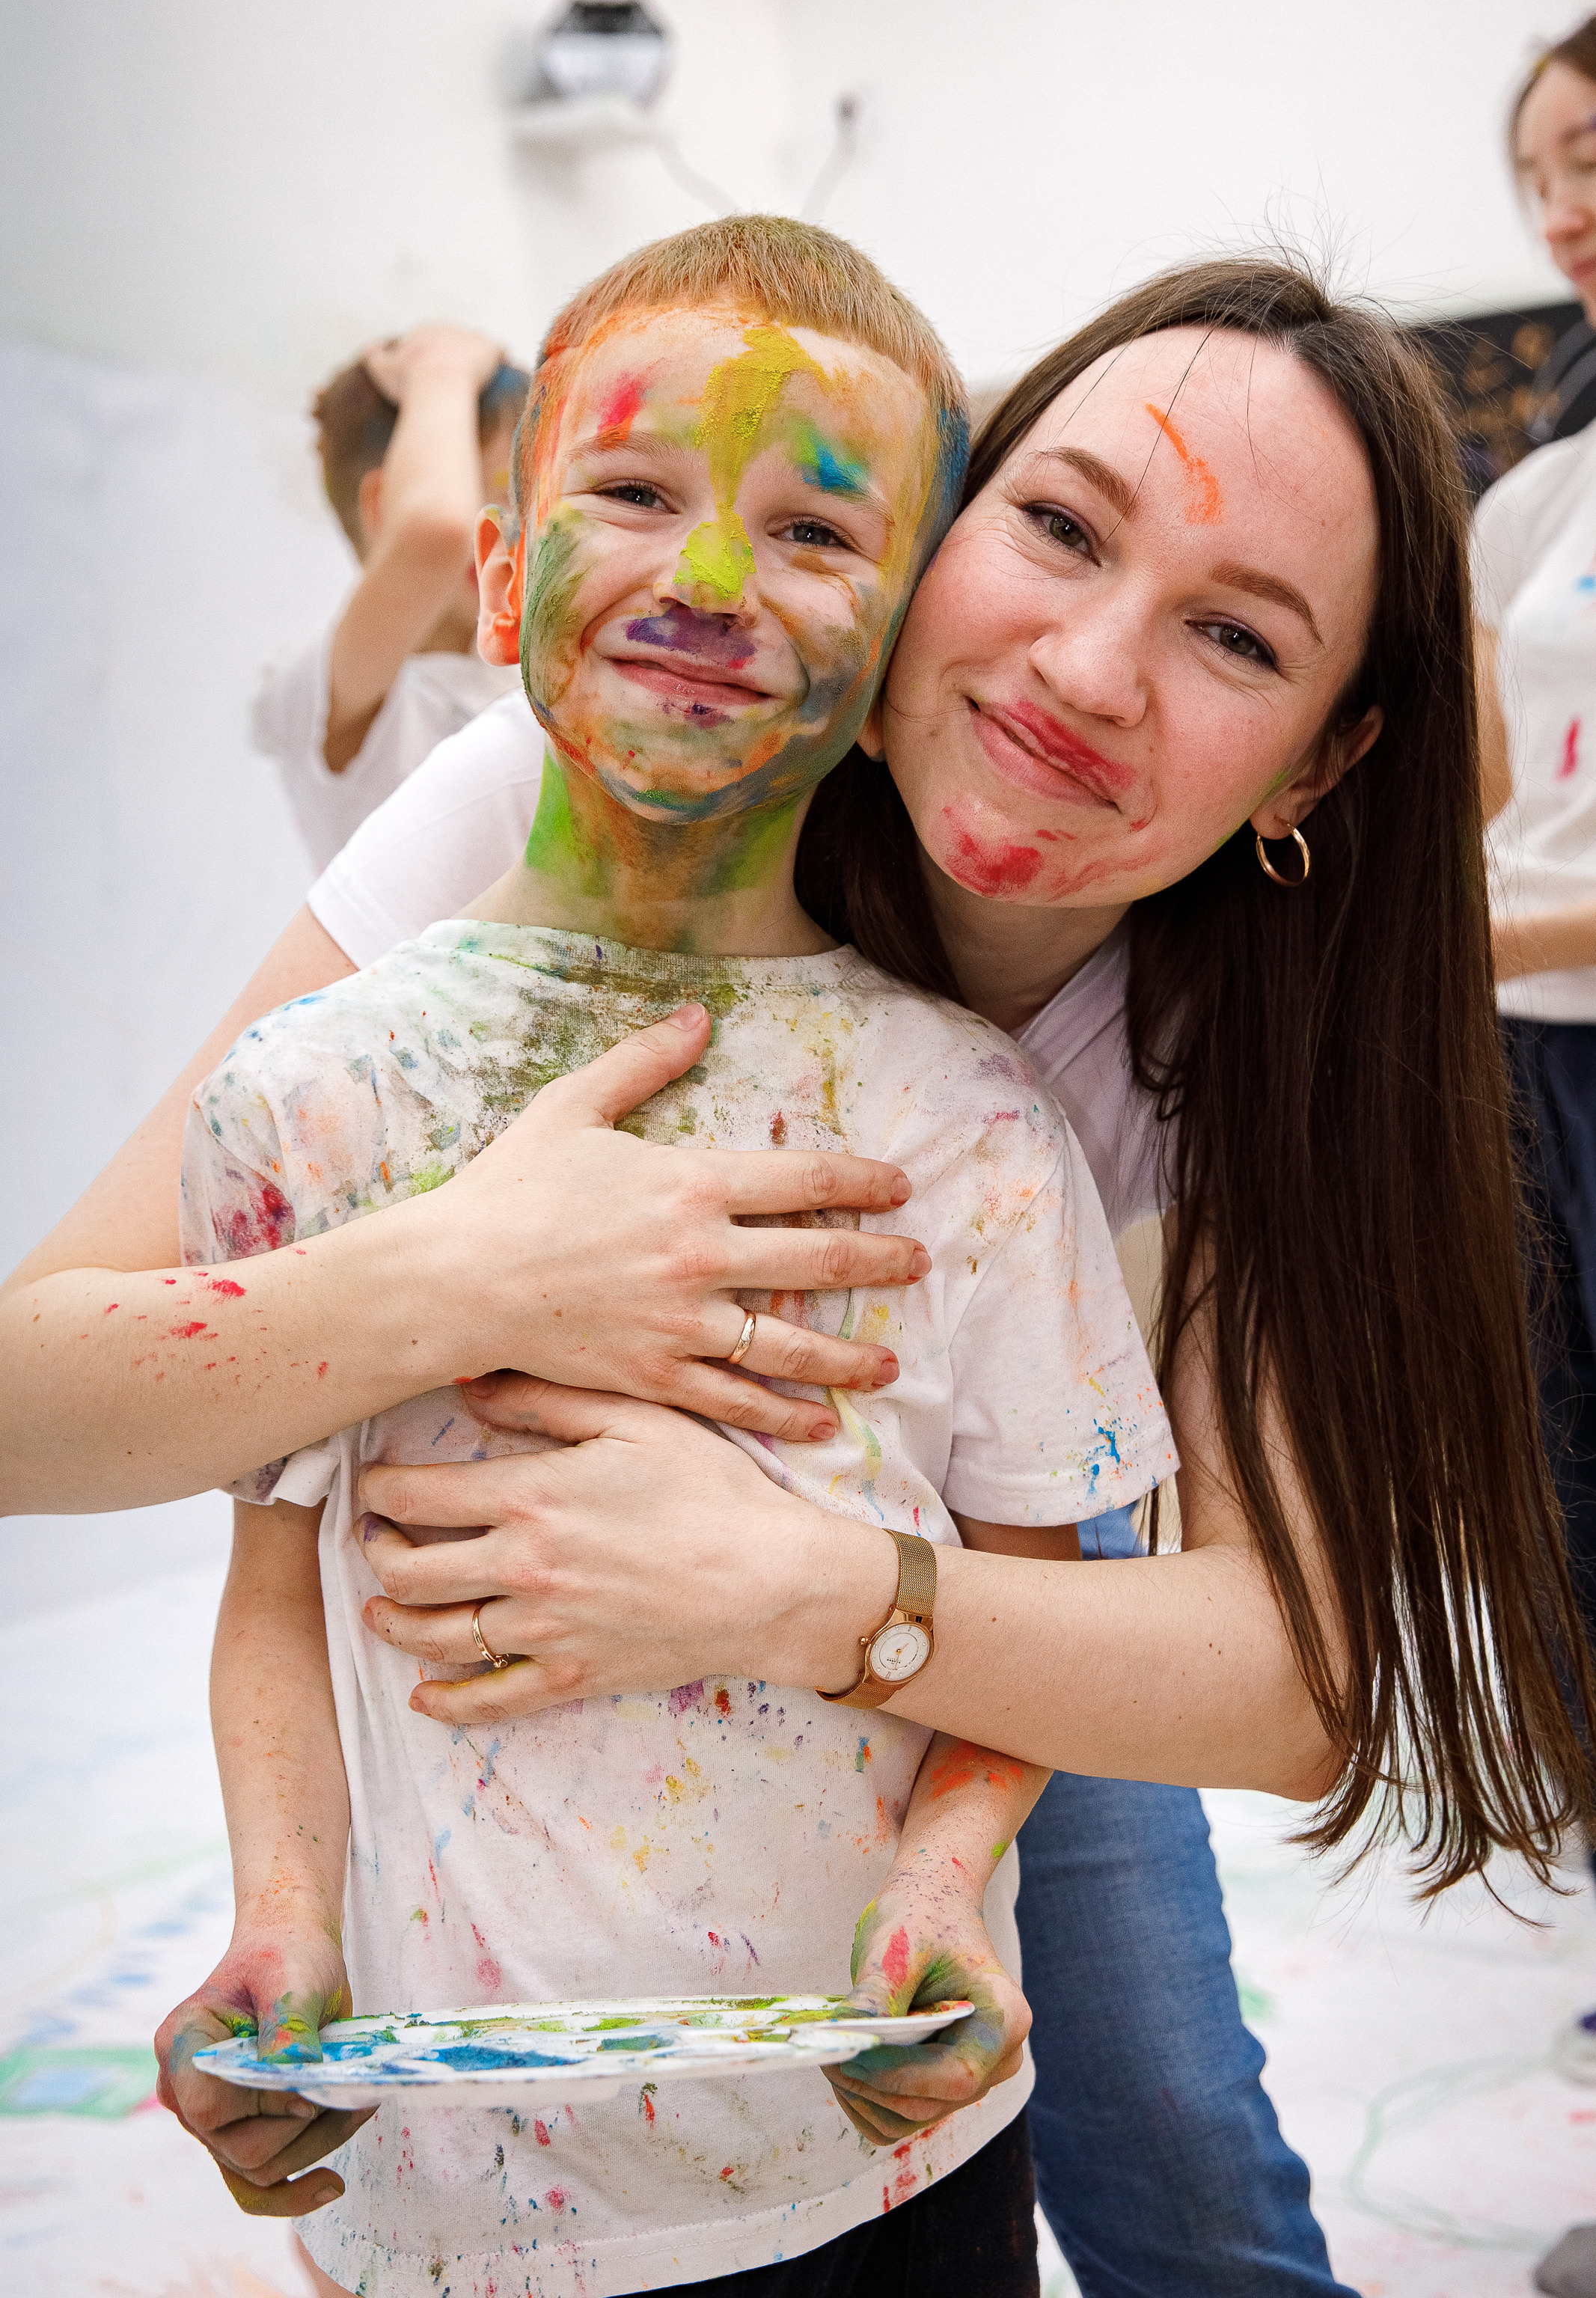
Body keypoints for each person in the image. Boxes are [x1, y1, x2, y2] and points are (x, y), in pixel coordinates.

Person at [6, 250, 1586, 2296]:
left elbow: (1287, 1678)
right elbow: (49, 1399)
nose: (1090, 671)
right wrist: (474, 1274)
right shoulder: (561, 813)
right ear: (938, 539)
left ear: (1312, 766)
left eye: (1230, 635)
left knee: (1179, 2151)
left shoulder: (1234, 1051)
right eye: (1056, 526)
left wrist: (804, 1594)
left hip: (980, 1619)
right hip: (522, 1875)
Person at [171, 219, 1180, 2298]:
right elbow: (276, 1580)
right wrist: (283, 1915)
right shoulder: (304, 1104)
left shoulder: (967, 1127)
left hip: (867, 2169)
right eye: (630, 493)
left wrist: (950, 1861)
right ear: (503, 573)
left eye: (816, 531)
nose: (711, 580)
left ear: (900, 649)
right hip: (444, 2188)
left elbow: (1052, 1578)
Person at [1475, 12, 1596, 2298]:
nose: (1567, 196)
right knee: (1575, 1559)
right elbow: (1497, 810)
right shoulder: (1527, 489)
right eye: (1542, 168)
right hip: (1525, 1062)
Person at [254, 323, 530, 870]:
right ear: (386, 510)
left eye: (531, 500)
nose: (520, 531)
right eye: (496, 497)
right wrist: (441, 367)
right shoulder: (323, 695)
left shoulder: (528, 679)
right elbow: (434, 532)